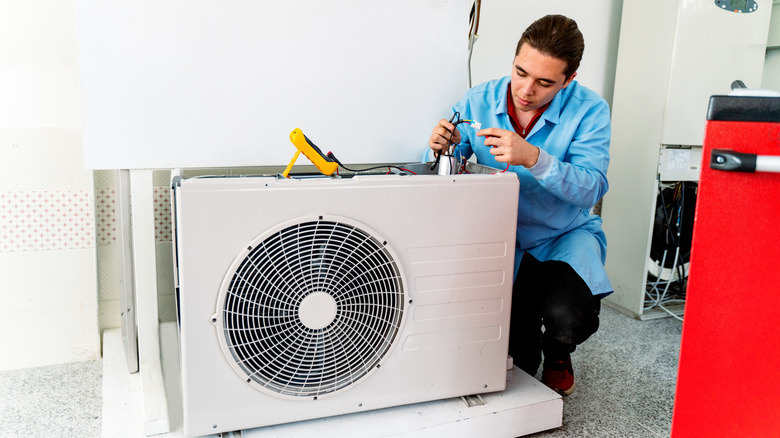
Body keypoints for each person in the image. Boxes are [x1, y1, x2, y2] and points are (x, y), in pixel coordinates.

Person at [428, 14, 612, 396]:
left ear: (568, 80)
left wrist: (534, 158)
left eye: (545, 82)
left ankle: (559, 351)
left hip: (561, 235)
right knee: (518, 364)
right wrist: (440, 149)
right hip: (499, 240)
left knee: (568, 318)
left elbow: (592, 189)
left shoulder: (590, 111)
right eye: (520, 72)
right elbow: (453, 169)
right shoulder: (476, 100)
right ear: (513, 60)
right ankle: (530, 342)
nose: (526, 90)